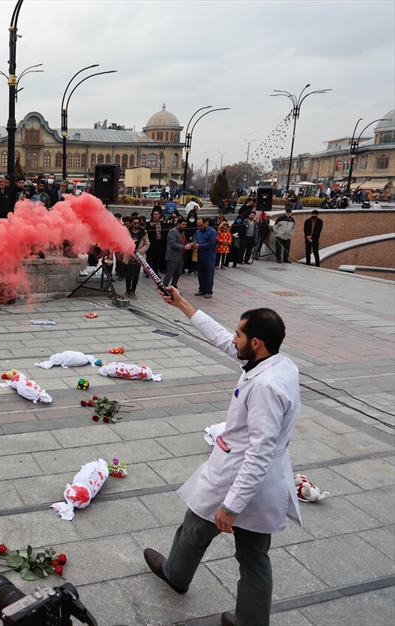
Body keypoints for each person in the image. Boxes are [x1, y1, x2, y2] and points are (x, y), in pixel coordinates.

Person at [145, 288, 301, 626]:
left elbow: (259, 453)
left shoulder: (265, 387)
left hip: (240, 479)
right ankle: (248, 619)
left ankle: (176, 574)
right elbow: (221, 338)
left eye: (240, 334)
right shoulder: (278, 363)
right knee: (252, 555)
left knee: (200, 530)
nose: (233, 339)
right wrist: (183, 304)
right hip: (256, 480)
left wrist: (231, 507)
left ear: (256, 342)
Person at [120, 217, 150, 299]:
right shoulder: (126, 232)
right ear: (131, 223)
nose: (136, 224)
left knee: (136, 275)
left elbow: (147, 244)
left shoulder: (143, 233)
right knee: (128, 275)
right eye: (134, 223)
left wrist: (139, 251)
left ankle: (133, 291)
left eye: (138, 223)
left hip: (139, 256)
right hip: (129, 255)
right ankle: (127, 291)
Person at [162, 217, 190, 289]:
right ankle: (164, 286)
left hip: (181, 256)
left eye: (185, 225)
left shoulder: (182, 232)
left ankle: (173, 286)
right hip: (173, 257)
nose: (185, 226)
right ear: (178, 224)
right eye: (183, 224)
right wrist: (184, 247)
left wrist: (189, 244)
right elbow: (172, 244)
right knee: (170, 273)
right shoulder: (173, 232)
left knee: (178, 273)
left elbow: (182, 242)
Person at [193, 217, 217, 298]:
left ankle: (208, 291)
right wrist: (194, 243)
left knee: (209, 274)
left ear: (205, 223)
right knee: (201, 274)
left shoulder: (212, 232)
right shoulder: (198, 232)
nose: (199, 227)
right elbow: (195, 239)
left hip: (209, 256)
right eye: (198, 226)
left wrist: (200, 246)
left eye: (201, 225)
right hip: (200, 255)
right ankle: (201, 289)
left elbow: (211, 244)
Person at [146, 208, 168, 275]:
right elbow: (147, 233)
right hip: (152, 243)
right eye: (154, 214)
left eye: (156, 214)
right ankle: (148, 272)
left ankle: (155, 272)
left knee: (157, 259)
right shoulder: (149, 223)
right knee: (150, 258)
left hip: (160, 243)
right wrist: (151, 227)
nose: (155, 216)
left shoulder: (163, 224)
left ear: (159, 215)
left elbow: (165, 233)